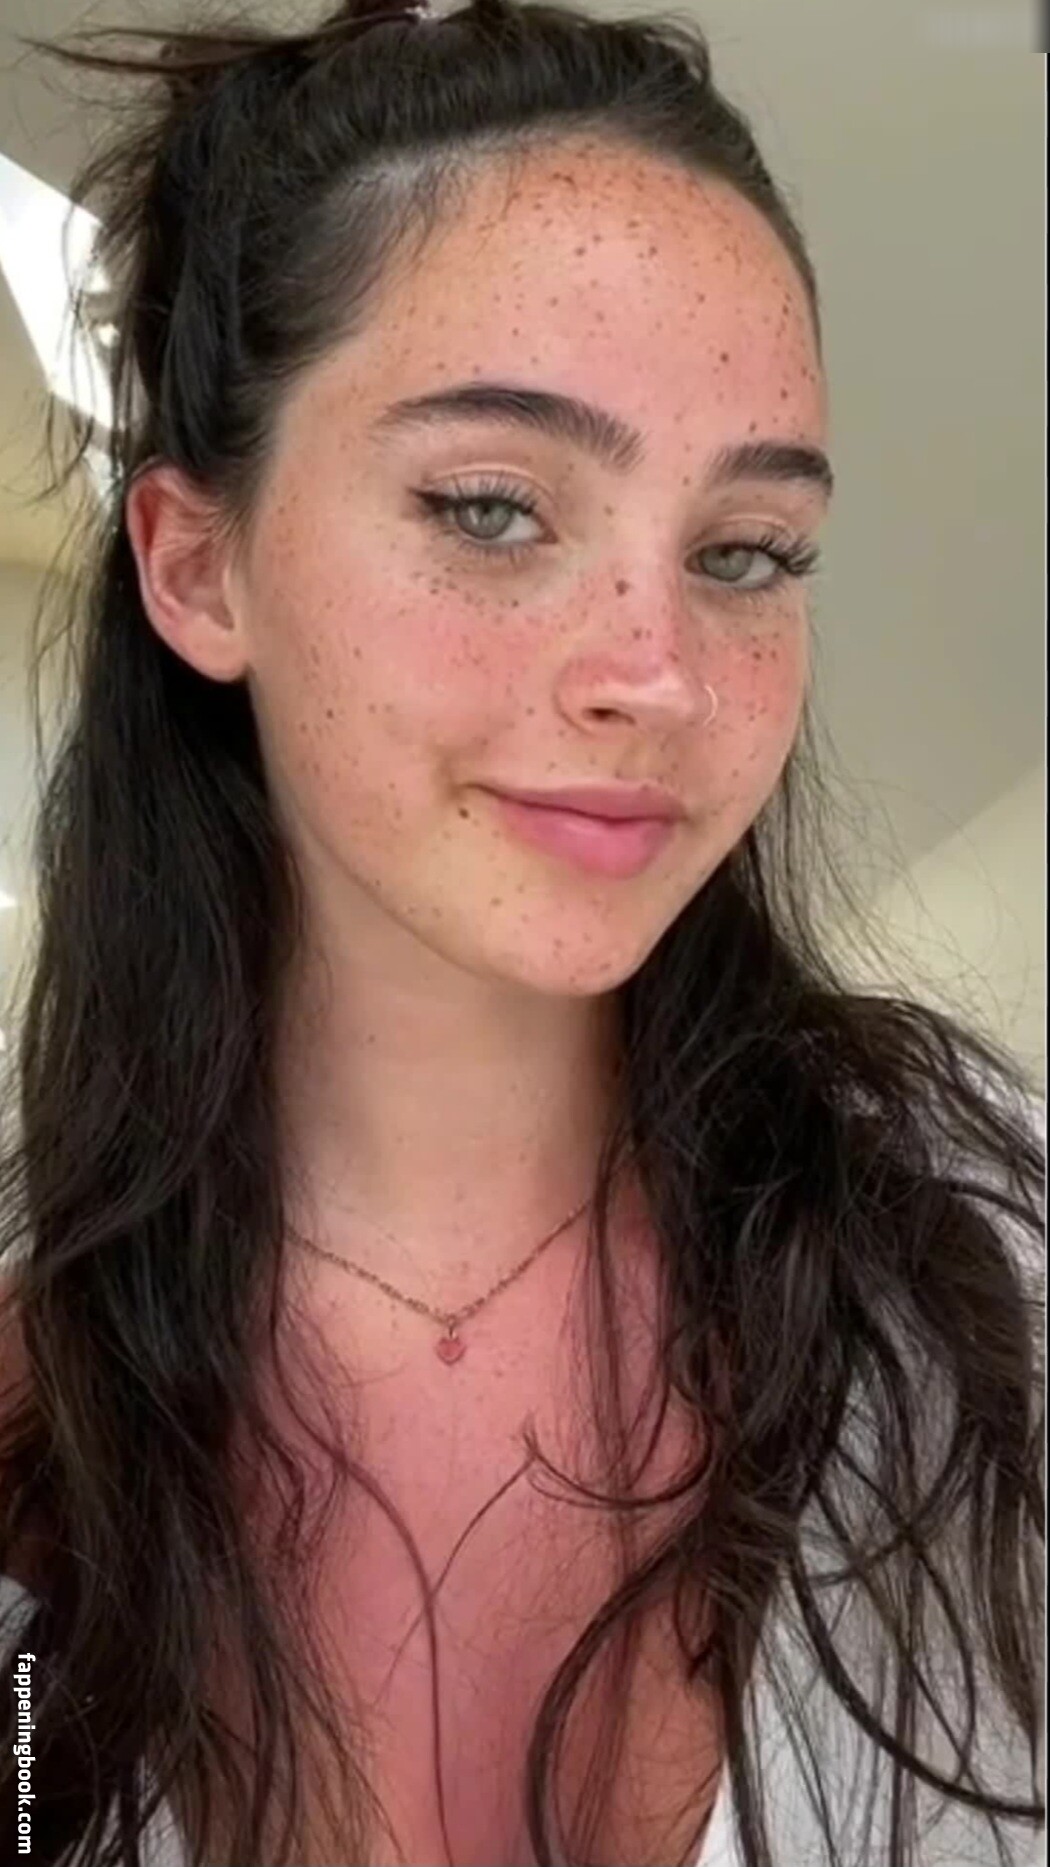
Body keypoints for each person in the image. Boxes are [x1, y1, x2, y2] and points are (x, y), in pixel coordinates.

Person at [0, 1, 1043, 1863]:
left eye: (744, 550)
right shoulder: (28, 1401)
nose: (658, 673)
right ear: (197, 565)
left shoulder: (991, 1302)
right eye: (491, 509)